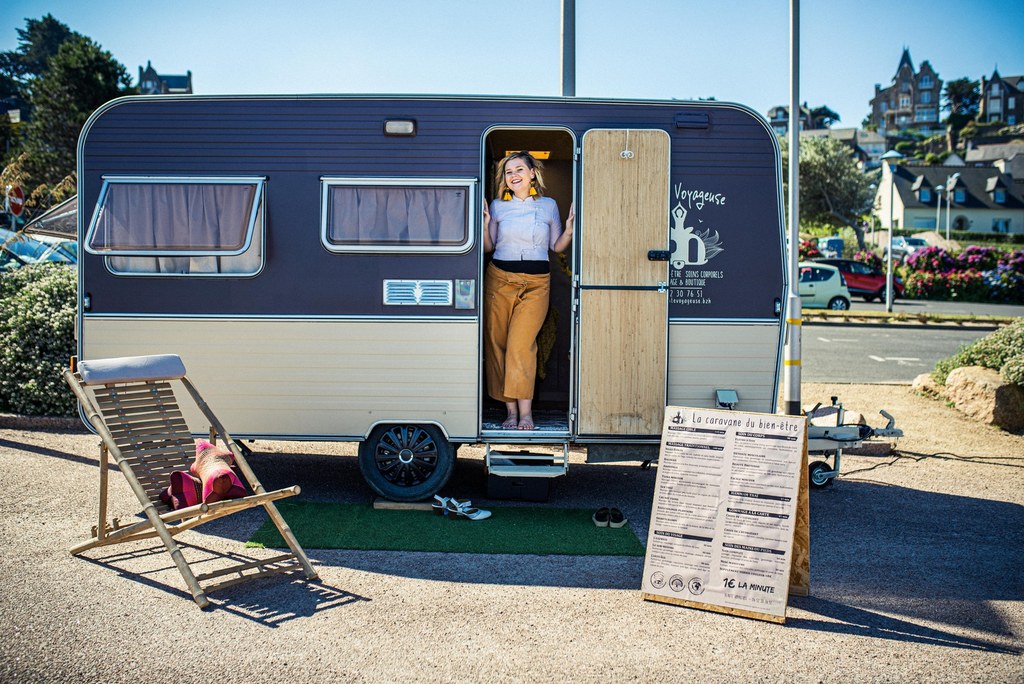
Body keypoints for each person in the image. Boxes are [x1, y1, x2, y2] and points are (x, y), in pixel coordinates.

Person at [482, 151, 574, 430]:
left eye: (519, 169)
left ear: (532, 173)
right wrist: (486, 224)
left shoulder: (548, 205)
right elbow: (489, 247)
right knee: (498, 346)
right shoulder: (498, 207)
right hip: (499, 280)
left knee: (521, 347)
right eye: (508, 172)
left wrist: (569, 230)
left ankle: (526, 414)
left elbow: (556, 247)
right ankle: (510, 413)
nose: (513, 176)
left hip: (536, 284)